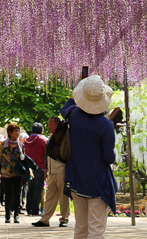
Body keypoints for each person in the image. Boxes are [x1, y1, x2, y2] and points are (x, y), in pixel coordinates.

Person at [61, 75, 117, 239]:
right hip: (99, 183)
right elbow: (109, 158)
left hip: (77, 179)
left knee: (81, 228)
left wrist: (77, 94)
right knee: (96, 229)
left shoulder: (74, 116)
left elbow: (66, 107)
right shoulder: (106, 125)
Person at [33, 117, 70, 229]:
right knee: (49, 196)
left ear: (57, 124)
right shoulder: (51, 138)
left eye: (51, 124)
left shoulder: (65, 136)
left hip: (62, 171)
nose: (49, 126)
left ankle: (64, 219)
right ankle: (45, 219)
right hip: (52, 172)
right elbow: (47, 155)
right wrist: (46, 169)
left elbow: (68, 153)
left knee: (64, 197)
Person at [0, 123, 25, 223]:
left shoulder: (21, 145)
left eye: (18, 131)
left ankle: (16, 215)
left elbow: (23, 159)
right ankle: (7, 215)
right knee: (8, 194)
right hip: (6, 172)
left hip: (18, 172)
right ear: (9, 132)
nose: (18, 133)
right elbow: (0, 159)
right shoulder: (3, 145)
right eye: (15, 131)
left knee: (18, 194)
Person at [23, 123, 47, 216]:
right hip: (40, 168)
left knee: (30, 189)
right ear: (42, 131)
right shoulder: (43, 140)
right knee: (38, 189)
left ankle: (29, 209)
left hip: (29, 168)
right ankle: (35, 210)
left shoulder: (26, 141)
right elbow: (46, 155)